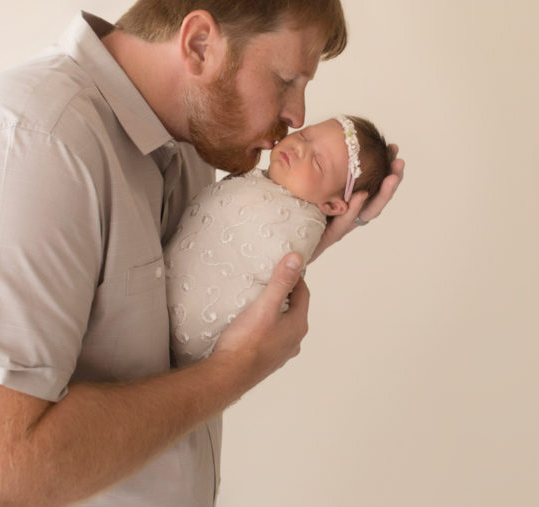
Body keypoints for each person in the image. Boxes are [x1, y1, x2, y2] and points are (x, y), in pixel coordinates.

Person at [0, 0, 404, 506]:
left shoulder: (194, 150)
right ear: (200, 44)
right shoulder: (25, 150)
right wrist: (234, 371)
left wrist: (298, 234)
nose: (298, 116)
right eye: (286, 80)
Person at [167, 115, 394, 366]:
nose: (299, 148)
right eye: (305, 135)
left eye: (318, 162)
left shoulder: (302, 222)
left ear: (331, 205)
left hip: (206, 344)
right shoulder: (254, 176)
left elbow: (279, 271)